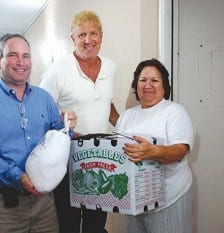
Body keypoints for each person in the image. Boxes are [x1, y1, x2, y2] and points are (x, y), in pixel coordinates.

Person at [0, 33, 76, 233]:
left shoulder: (44, 98)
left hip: (44, 203)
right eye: (13, 55)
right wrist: (16, 176)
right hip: (4, 206)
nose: (21, 62)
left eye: (26, 56)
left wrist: (68, 129)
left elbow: (57, 138)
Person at [40, 10, 119, 233]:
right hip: (67, 155)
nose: (88, 40)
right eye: (81, 34)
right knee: (69, 221)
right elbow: (41, 109)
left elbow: (106, 101)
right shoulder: (58, 69)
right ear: (72, 38)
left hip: (101, 156)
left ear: (101, 36)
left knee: (97, 220)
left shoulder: (111, 68)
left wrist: (123, 125)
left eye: (93, 33)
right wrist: (62, 123)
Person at [115, 58, 194, 233]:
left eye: (154, 80)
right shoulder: (127, 116)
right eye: (143, 80)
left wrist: (153, 151)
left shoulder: (174, 112)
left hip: (169, 199)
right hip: (134, 202)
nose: (148, 85)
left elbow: (180, 151)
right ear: (136, 85)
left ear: (164, 86)